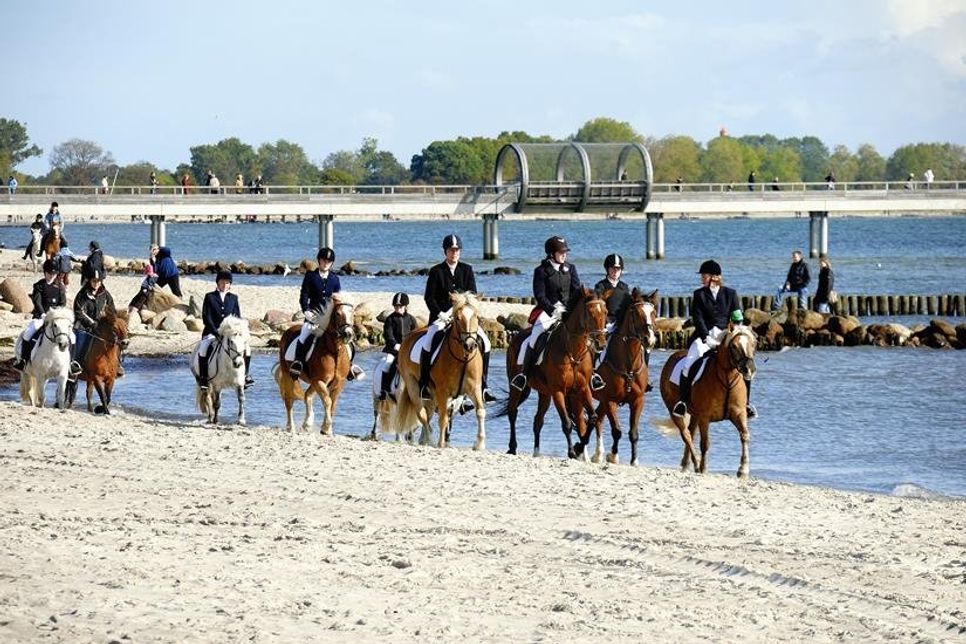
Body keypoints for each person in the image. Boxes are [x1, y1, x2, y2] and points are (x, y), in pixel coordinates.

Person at [672, 259, 756, 419]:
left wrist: (737, 329)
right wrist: (706, 337)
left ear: (714, 277)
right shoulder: (699, 294)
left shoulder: (730, 293)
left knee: (746, 364)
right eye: (702, 276)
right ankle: (682, 402)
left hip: (725, 336)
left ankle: (746, 404)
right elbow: (698, 319)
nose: (702, 278)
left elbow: (737, 315)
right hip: (704, 338)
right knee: (688, 363)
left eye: (704, 275)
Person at [418, 234, 496, 402]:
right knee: (428, 341)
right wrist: (441, 314)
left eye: (457, 250)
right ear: (445, 252)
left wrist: (464, 312)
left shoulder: (466, 269)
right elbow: (429, 298)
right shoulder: (436, 271)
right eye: (451, 250)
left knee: (486, 342)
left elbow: (472, 295)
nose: (454, 253)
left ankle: (483, 385)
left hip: (463, 317)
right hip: (441, 316)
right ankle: (424, 384)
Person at [510, 235, 583, 391]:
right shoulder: (541, 271)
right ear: (551, 254)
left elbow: (576, 292)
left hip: (567, 310)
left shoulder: (571, 269)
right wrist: (552, 310)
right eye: (561, 252)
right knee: (534, 335)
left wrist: (572, 309)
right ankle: (524, 374)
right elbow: (540, 295)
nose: (564, 255)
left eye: (565, 252)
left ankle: (590, 373)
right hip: (547, 310)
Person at [289, 247, 363, 380]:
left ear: (332, 263)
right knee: (304, 335)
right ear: (319, 261)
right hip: (314, 315)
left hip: (330, 317)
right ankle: (298, 363)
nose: (326, 263)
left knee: (348, 341)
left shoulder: (335, 279)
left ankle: (349, 365)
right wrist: (306, 311)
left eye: (329, 261)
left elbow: (338, 299)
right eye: (324, 260)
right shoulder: (310, 276)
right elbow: (304, 296)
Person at [197, 270, 254, 390]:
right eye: (222, 282)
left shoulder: (233, 298)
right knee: (203, 349)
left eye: (227, 282)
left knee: (247, 349)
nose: (224, 285)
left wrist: (236, 332)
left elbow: (237, 317)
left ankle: (245, 376)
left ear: (230, 284)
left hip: (229, 334)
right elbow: (206, 317)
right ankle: (203, 378)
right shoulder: (210, 297)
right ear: (217, 283)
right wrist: (215, 332)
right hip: (212, 333)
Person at [13, 259, 69, 371]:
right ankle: (23, 361)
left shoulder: (59, 288)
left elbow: (62, 303)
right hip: (41, 316)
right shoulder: (39, 286)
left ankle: (71, 363)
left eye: (53, 274)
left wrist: (57, 314)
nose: (51, 276)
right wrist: (43, 314)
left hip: (55, 319)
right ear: (45, 272)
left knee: (71, 337)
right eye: (49, 273)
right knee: (28, 333)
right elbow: (37, 301)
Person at [592, 253, 637, 391]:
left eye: (618, 269)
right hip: (607, 323)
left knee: (641, 346)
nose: (615, 271)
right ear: (607, 269)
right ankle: (593, 374)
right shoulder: (601, 286)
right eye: (613, 269)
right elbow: (598, 306)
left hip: (621, 323)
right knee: (602, 347)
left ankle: (640, 376)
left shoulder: (624, 287)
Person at [70, 273, 116, 380]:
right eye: (94, 281)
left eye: (98, 281)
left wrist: (107, 320)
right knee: (81, 342)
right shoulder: (82, 294)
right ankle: (76, 365)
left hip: (101, 326)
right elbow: (79, 312)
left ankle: (116, 366)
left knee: (114, 340)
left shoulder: (105, 294)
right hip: (84, 326)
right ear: (90, 281)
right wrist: (92, 323)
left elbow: (112, 309)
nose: (96, 284)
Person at [378, 292, 417, 401]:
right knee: (387, 364)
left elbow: (415, 334)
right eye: (396, 306)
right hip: (393, 349)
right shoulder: (390, 319)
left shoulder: (411, 319)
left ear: (405, 307)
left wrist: (410, 345)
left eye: (400, 306)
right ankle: (384, 390)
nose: (398, 308)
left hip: (408, 350)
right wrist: (395, 344)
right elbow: (388, 334)